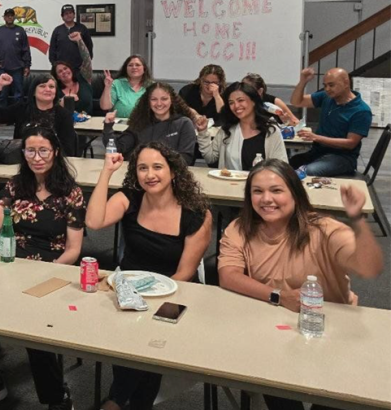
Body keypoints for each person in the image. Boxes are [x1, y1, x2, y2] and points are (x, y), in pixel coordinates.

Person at [218, 159, 383, 410]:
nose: (266, 199)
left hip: (331, 331)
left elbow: (368, 266)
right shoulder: (240, 229)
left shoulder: (323, 228)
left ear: (295, 194)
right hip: (272, 331)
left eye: (276, 190)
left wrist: (358, 220)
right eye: (257, 191)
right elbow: (228, 275)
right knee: (280, 392)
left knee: (334, 397)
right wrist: (279, 296)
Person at [0, 127, 84, 410]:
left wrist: (45, 273)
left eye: (43, 150)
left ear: (55, 152)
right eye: (30, 150)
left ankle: (56, 395)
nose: (37, 157)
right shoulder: (17, 186)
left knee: (33, 325)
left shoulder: (71, 193)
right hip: (10, 263)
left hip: (53, 268)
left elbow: (74, 250)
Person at [86, 142, 212, 410]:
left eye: (157, 167)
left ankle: (117, 400)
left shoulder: (196, 214)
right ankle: (126, 402)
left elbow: (185, 273)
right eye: (142, 168)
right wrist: (106, 173)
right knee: (129, 331)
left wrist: (152, 302)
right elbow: (94, 222)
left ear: (173, 172)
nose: (149, 174)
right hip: (130, 287)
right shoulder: (129, 197)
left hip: (177, 291)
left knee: (148, 335)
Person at [289, 67, 372, 177]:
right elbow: (296, 102)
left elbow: (350, 143)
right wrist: (303, 81)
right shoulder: (326, 97)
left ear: (346, 83)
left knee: (308, 171)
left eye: (331, 85)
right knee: (286, 166)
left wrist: (316, 137)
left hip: (342, 157)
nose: (327, 89)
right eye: (325, 85)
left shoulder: (361, 110)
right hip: (319, 151)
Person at [102, 82, 204, 165]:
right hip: (141, 176)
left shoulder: (184, 124)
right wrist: (108, 127)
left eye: (164, 99)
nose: (159, 104)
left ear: (171, 100)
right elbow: (117, 148)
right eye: (154, 99)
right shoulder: (140, 123)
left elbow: (186, 159)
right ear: (148, 102)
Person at [198, 82, 288, 171]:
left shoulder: (271, 131)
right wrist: (202, 132)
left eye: (240, 100)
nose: (236, 106)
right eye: (231, 103)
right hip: (230, 183)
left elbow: (281, 167)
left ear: (253, 101)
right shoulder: (227, 130)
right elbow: (210, 158)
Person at [0, 73, 79, 155]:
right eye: (42, 86)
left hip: (52, 163)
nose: (47, 89)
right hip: (22, 161)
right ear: (33, 91)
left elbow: (68, 149)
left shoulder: (63, 115)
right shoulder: (22, 109)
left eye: (51, 87)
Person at [0, 8, 31, 108]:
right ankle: (2, 118)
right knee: (2, 94)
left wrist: (27, 66)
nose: (10, 17)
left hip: (17, 68)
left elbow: (26, 50)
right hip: (2, 68)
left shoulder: (20, 31)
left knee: (19, 94)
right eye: (7, 15)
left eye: (11, 15)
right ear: (4, 17)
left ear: (14, 17)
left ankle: (17, 118)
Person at [52, 32, 93, 114]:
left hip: (89, 122)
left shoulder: (84, 78)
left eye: (65, 68)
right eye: (60, 71)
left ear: (70, 69)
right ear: (58, 77)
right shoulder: (55, 90)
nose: (64, 72)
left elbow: (87, 59)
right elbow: (52, 109)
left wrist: (79, 41)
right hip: (66, 123)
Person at [49, 4, 93, 78]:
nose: (68, 15)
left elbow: (89, 46)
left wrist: (86, 64)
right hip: (62, 70)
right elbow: (52, 50)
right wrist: (55, 65)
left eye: (70, 13)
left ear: (74, 14)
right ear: (62, 16)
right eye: (66, 14)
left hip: (79, 69)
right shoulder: (57, 30)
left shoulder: (82, 28)